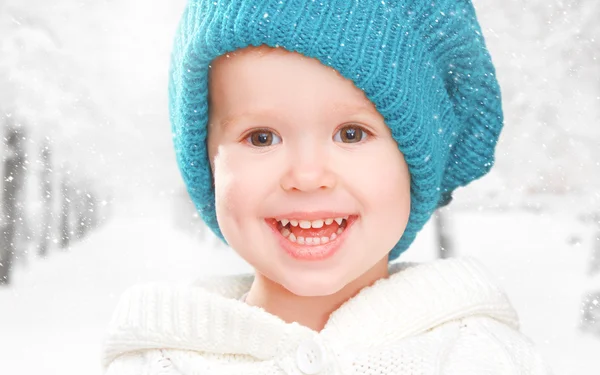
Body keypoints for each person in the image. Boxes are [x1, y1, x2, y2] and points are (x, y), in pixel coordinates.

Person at [102, 0, 551, 373]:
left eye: (351, 134)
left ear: (418, 164)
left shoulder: (482, 359)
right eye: (262, 137)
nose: (307, 175)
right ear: (209, 164)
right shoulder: (157, 361)